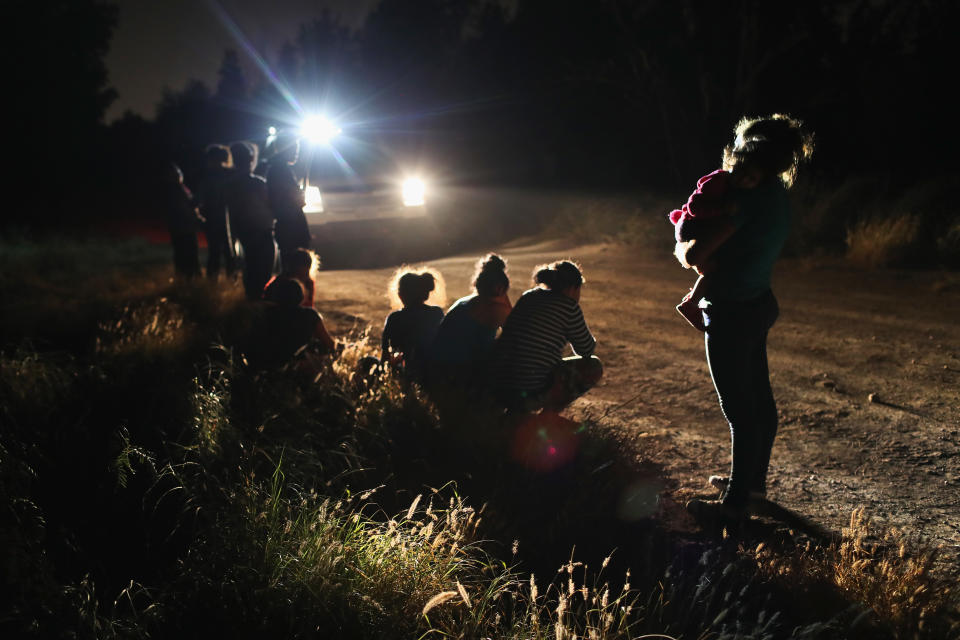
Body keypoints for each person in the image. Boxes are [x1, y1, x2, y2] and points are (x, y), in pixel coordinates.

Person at [676, 114, 814, 523]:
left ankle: (735, 506)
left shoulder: (743, 200)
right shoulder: (774, 192)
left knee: (739, 408)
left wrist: (683, 245)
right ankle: (751, 485)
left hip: (731, 310)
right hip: (758, 301)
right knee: (759, 402)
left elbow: (695, 256)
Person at [488, 260, 602, 414]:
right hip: (530, 389)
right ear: (573, 288)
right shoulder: (569, 307)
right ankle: (546, 417)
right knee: (594, 366)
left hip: (497, 383)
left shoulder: (528, 296)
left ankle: (513, 412)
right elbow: (586, 350)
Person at [668, 162, 765, 330]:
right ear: (734, 165)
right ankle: (691, 304)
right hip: (689, 224)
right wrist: (721, 210)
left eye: (751, 179)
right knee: (712, 269)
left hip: (693, 224)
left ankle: (692, 300)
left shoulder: (732, 187)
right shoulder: (718, 181)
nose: (745, 179)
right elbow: (693, 206)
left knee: (711, 267)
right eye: (743, 172)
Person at [428, 254, 512, 388]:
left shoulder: (465, 302)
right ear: (500, 289)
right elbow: (515, 333)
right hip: (457, 374)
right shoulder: (494, 310)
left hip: (435, 368)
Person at [243, 278, 336, 371]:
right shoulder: (309, 315)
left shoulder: (264, 314)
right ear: (300, 296)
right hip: (295, 369)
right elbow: (330, 344)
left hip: (265, 368)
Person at [223, 141, 276, 300]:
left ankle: (252, 305)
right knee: (263, 273)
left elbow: (229, 215)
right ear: (251, 159)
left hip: (244, 233)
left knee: (251, 270)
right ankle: (261, 306)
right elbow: (271, 205)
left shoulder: (229, 185)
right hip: (261, 231)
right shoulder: (257, 183)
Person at [381, 268, 445, 382]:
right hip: (437, 374)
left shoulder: (394, 318)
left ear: (400, 295)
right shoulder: (436, 313)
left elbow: (385, 357)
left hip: (406, 376)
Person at [266, 134, 311, 271]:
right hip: (290, 224)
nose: (296, 152)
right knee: (294, 264)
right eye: (294, 148)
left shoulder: (279, 169)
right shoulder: (280, 170)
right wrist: (299, 197)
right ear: (285, 148)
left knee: (291, 262)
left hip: (287, 223)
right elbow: (286, 198)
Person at [197, 144, 236, 280]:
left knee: (216, 252)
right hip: (224, 218)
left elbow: (201, 198)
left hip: (216, 218)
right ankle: (230, 280)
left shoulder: (210, 177)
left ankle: (214, 281)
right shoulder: (229, 175)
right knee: (227, 252)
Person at [160, 162, 202, 280]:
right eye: (174, 173)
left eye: (178, 172)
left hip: (182, 228)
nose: (178, 175)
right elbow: (185, 209)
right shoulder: (175, 191)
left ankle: (187, 277)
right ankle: (189, 278)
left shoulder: (181, 189)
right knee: (187, 254)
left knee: (184, 253)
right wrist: (196, 217)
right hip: (183, 228)